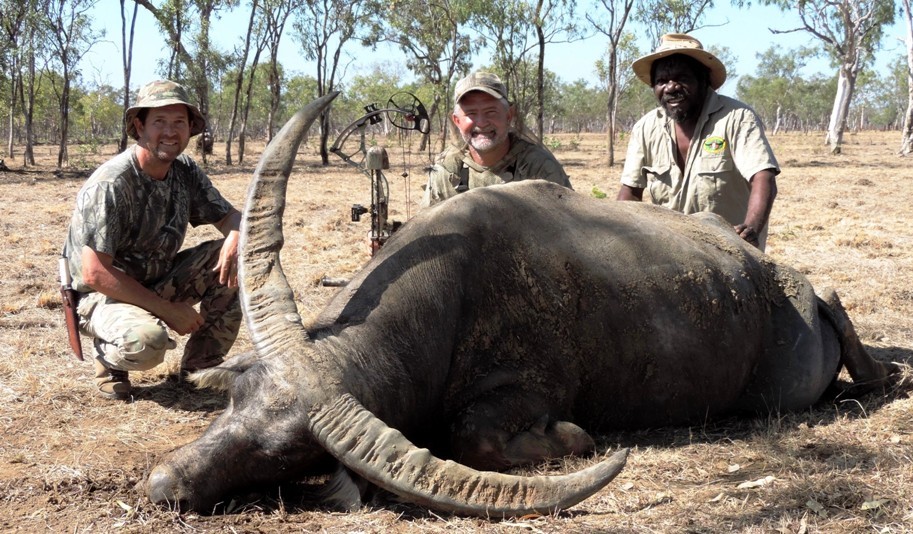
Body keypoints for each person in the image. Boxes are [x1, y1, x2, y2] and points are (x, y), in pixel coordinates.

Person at [63, 79, 243, 400]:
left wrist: (236, 235)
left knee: (241, 257)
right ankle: (109, 357)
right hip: (102, 296)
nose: (170, 132)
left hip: (157, 279)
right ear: (139, 125)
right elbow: (94, 273)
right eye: (159, 121)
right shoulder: (112, 183)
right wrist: (168, 310)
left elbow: (230, 217)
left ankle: (201, 367)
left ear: (190, 129)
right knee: (148, 343)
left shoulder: (184, 170)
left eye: (179, 122)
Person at [617, 33, 779, 251]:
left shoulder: (737, 117)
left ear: (704, 81)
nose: (671, 87)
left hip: (730, 249)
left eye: (681, 78)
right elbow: (630, 193)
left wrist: (751, 230)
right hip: (672, 250)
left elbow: (763, 177)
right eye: (661, 81)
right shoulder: (645, 128)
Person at [421, 71, 572, 207]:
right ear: (457, 121)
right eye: (471, 114)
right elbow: (427, 228)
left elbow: (568, 225)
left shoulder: (538, 167)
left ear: (509, 115)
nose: (481, 123)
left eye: (491, 112)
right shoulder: (446, 170)